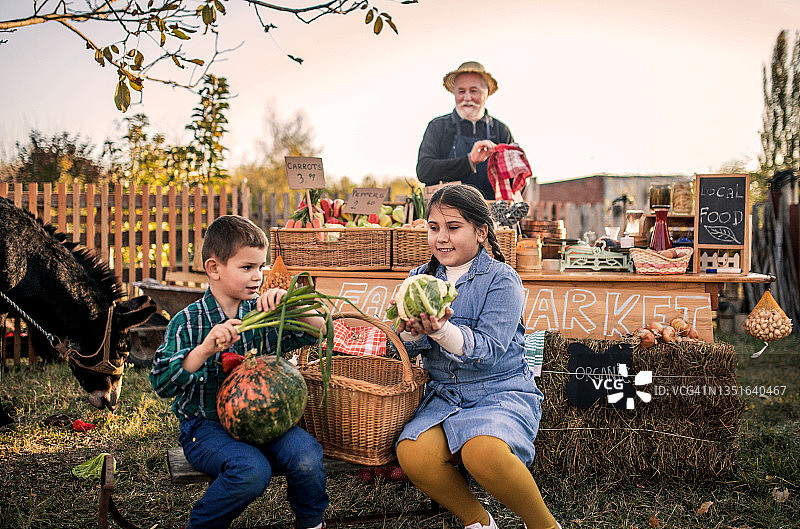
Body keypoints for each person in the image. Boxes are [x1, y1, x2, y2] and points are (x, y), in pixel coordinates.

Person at [394, 185, 560, 529]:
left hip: (499, 393)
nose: (441, 238)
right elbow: (402, 349)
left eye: (453, 228)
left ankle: (543, 524)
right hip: (445, 396)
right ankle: (478, 521)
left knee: (481, 452)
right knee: (413, 452)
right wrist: (411, 331)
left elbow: (489, 350)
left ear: (481, 232)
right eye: (433, 227)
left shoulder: (502, 279)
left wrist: (440, 330)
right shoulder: (417, 280)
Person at [149, 215, 328, 529]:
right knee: (251, 470)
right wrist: (205, 349)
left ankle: (311, 523)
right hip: (205, 428)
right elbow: (162, 382)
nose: (258, 276)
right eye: (247, 268)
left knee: (307, 455)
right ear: (214, 268)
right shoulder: (188, 322)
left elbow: (318, 331)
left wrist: (292, 305)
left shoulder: (263, 312)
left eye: (261, 267)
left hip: (266, 419)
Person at [416, 61, 515, 200]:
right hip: (447, 214)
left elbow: (514, 181)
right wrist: (469, 161)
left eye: (474, 91)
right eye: (461, 91)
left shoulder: (500, 130)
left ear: (486, 93)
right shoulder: (438, 127)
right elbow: (424, 171)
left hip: (489, 214)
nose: (467, 97)